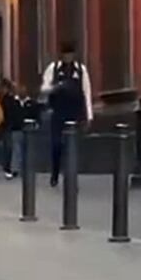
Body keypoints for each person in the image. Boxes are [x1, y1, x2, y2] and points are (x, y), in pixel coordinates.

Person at [41, 42, 94, 187]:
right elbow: (44, 88)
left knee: (73, 144)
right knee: (56, 144)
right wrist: (56, 88)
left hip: (75, 112)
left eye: (70, 54)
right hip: (58, 111)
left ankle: (71, 174)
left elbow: (86, 92)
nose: (68, 57)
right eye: (65, 54)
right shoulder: (54, 68)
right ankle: (55, 172)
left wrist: (88, 116)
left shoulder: (81, 70)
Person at [0, 80, 26, 179]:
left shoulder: (7, 100)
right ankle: (10, 168)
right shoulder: (10, 100)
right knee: (11, 148)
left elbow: (9, 115)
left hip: (10, 127)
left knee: (10, 148)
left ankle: (10, 168)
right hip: (11, 127)